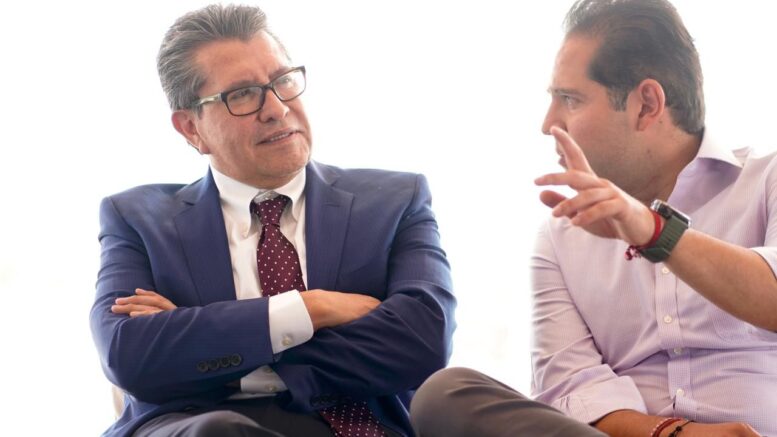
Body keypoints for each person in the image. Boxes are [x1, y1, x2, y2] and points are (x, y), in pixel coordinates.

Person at [410, 0, 776, 436]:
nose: (548, 123)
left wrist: (653, 231)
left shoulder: (766, 180)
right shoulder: (559, 237)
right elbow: (572, 387)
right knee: (445, 394)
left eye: (570, 99)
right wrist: (675, 434)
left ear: (646, 105)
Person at [90, 4, 456, 437]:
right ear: (191, 128)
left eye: (283, 81)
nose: (277, 109)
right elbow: (128, 355)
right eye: (243, 94)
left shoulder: (395, 201)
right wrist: (311, 308)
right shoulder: (137, 218)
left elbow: (424, 341)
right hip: (204, 428)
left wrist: (218, 354)